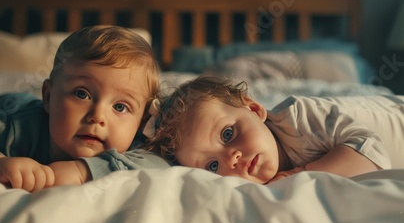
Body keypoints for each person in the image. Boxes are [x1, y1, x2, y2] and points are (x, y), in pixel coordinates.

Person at [0, 25, 168, 192]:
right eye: (82, 94)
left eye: (120, 106)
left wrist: (82, 171)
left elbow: (160, 163)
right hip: (11, 103)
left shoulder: (139, 140)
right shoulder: (16, 127)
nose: (98, 116)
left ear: (142, 120)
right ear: (49, 97)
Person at [146, 74, 404, 184]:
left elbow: (371, 154)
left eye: (227, 134)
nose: (230, 159)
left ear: (255, 110)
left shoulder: (301, 117)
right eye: (212, 166)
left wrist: (302, 173)